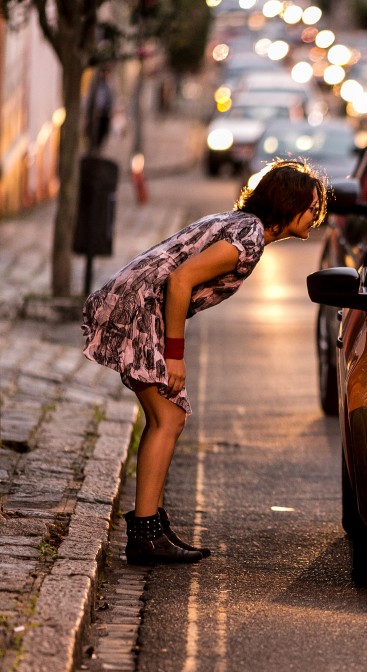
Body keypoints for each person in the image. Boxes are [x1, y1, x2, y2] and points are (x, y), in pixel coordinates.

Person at [81, 159, 328, 565]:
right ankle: (145, 535)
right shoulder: (247, 238)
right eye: (311, 205)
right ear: (289, 204)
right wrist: (174, 357)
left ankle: (152, 526)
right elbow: (180, 281)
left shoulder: (244, 227)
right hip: (137, 307)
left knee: (168, 417)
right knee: (169, 418)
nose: (316, 215)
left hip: (139, 305)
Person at [85, 65, 114, 153]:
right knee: (92, 136)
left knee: (101, 135)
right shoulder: (94, 85)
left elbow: (110, 100)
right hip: (94, 115)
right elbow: (90, 99)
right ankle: (92, 151)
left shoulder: (109, 86)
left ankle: (98, 151)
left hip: (104, 115)